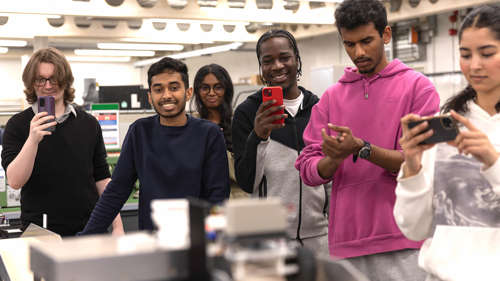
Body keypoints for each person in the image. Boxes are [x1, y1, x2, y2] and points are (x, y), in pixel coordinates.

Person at [295, 0, 440, 280]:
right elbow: (309, 171)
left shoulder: (418, 88)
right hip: (346, 242)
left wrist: (362, 148)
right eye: (349, 44)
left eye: (366, 41)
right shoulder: (331, 98)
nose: (358, 52)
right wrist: (334, 159)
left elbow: (419, 163)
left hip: (404, 238)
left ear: (385, 35)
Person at [395, 4, 500, 280]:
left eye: (487, 53)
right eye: (466, 54)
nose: (474, 65)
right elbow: (414, 229)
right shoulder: (445, 127)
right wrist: (412, 169)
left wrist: (493, 161)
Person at [80, 57, 230, 234]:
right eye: (159, 90)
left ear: (188, 92)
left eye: (174, 88)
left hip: (196, 241)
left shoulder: (209, 134)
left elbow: (218, 198)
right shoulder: (139, 132)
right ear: (150, 97)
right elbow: (116, 191)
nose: (167, 95)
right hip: (152, 241)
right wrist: (85, 237)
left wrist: (207, 240)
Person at [1, 47, 123, 236]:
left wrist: (117, 225)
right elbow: (15, 181)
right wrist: (32, 139)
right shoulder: (18, 125)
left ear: (65, 81)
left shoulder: (89, 124)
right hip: (41, 233)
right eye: (41, 79)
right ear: (32, 83)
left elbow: (102, 179)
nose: (48, 85)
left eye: (54, 78)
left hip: (89, 231)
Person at [232, 29, 329, 255]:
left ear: (297, 60)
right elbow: (246, 182)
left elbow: (331, 176)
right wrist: (258, 136)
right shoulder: (247, 113)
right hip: (269, 238)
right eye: (268, 61)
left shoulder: (320, 108)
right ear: (261, 68)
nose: (277, 66)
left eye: (284, 57)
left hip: (320, 238)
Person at [192, 64, 234, 152]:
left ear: (227, 90)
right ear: (197, 91)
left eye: (218, 88)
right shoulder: (191, 125)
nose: (211, 93)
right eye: (205, 88)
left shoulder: (238, 121)